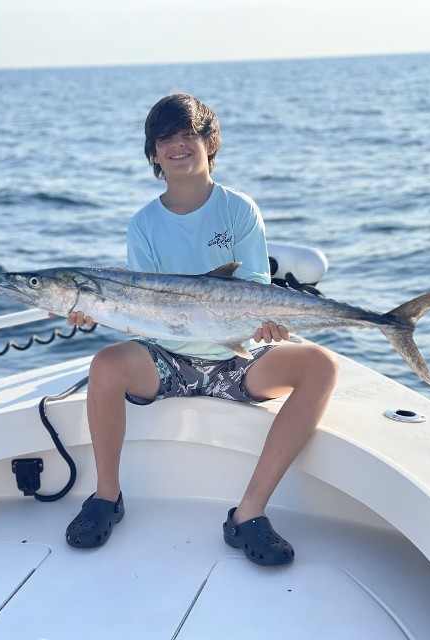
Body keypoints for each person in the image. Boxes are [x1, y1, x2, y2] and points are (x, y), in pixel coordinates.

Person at [65, 94, 339, 566]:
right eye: (164, 138)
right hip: (167, 360)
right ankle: (106, 497)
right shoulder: (144, 224)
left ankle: (249, 514)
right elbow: (139, 305)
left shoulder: (238, 209)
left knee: (321, 365)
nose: (177, 146)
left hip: (238, 359)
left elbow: (254, 285)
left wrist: (265, 323)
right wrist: (94, 311)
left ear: (210, 142)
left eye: (187, 135)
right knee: (106, 365)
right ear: (152, 153)